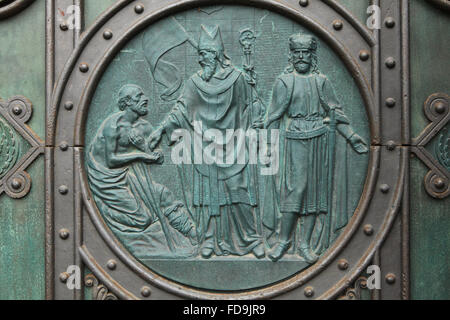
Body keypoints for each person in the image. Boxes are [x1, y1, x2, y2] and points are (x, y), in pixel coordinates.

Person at [148, 25, 265, 259]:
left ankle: (250, 239)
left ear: (216, 54)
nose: (200, 59)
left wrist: (257, 120)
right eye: (199, 54)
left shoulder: (237, 78)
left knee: (237, 190)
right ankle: (209, 239)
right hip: (205, 144)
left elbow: (251, 105)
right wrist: (160, 130)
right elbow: (181, 109)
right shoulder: (194, 83)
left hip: (234, 144)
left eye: (204, 54)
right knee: (209, 193)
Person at [265, 34, 368, 262]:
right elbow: (273, 116)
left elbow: (336, 111)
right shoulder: (284, 82)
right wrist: (266, 145)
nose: (302, 57)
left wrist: (351, 136)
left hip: (319, 140)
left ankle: (305, 244)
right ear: (291, 56)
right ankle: (284, 240)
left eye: (306, 53)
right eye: (297, 53)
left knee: (314, 191)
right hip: (295, 139)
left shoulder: (322, 81)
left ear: (312, 56)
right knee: (297, 189)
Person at [87, 84, 197, 259]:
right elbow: (111, 160)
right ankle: (102, 209)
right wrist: (141, 155)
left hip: (124, 175)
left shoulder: (142, 126)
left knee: (164, 194)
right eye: (139, 97)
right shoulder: (113, 126)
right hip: (105, 181)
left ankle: (192, 233)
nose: (145, 99)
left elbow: (151, 154)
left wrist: (149, 152)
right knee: (142, 219)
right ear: (128, 102)